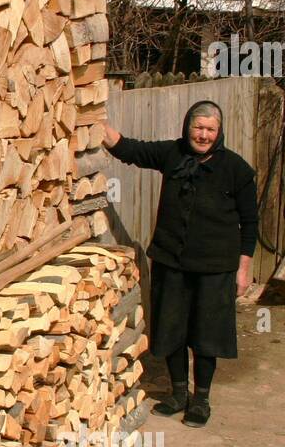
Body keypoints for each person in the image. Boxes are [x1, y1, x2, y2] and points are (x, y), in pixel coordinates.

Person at [102, 100, 258, 426]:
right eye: (197, 128)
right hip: (171, 262)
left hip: (215, 268)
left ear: (219, 132)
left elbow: (250, 223)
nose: (202, 135)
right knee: (172, 330)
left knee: (206, 336)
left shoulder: (237, 170)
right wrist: (93, 123)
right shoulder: (172, 155)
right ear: (187, 127)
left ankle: (201, 400)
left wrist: (243, 269)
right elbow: (130, 149)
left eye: (209, 129)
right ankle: (178, 393)